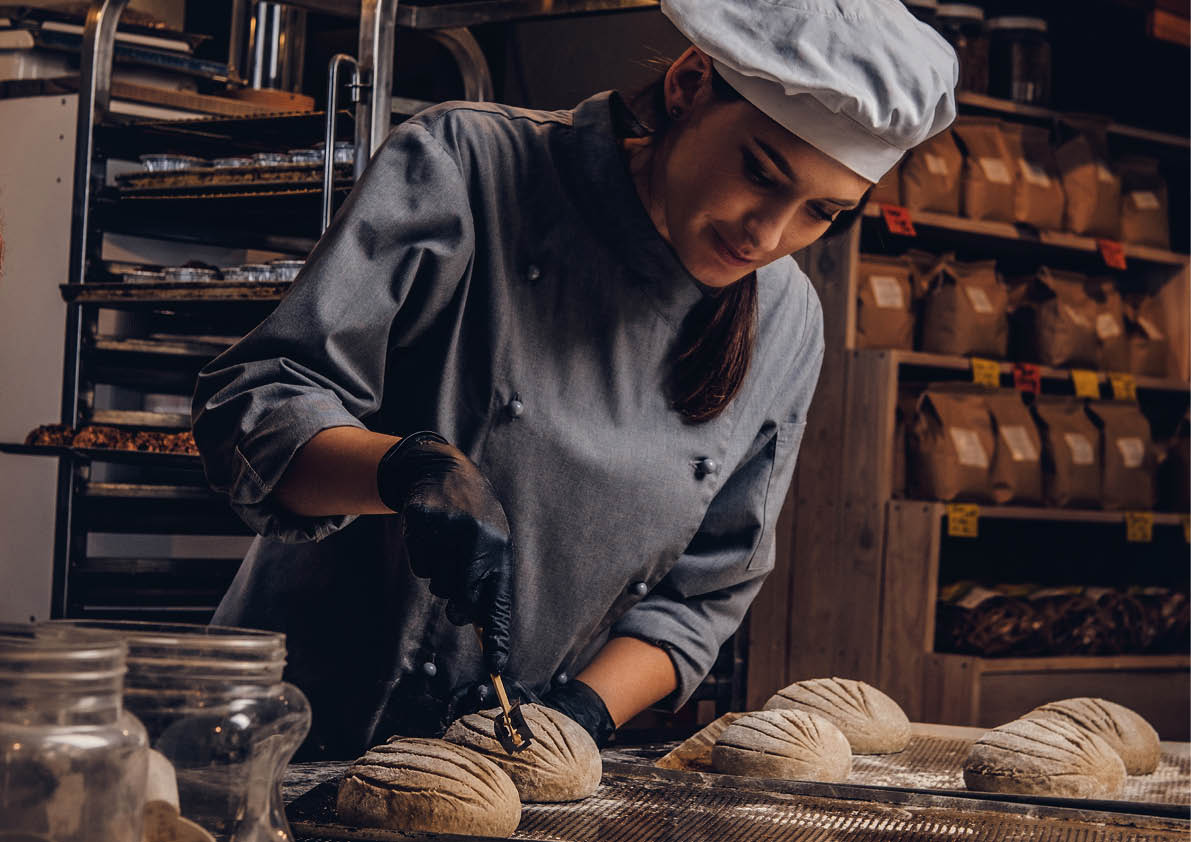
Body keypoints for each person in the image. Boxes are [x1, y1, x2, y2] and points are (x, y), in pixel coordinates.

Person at [192, 0, 957, 759]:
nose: (768, 235)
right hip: (273, 731)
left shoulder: (785, 320)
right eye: (759, 171)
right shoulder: (468, 165)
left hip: (499, 765)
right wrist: (404, 472)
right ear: (690, 83)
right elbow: (258, 403)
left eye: (820, 212)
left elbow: (705, 593)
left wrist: (579, 714)